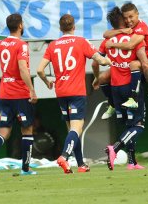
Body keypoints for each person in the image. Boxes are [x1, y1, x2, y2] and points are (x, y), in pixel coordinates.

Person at [37, 14, 111, 174]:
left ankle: (81, 165)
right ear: (74, 26)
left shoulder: (53, 45)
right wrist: (115, 63)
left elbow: (39, 70)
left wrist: (47, 81)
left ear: (60, 28)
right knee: (76, 129)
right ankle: (64, 156)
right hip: (76, 91)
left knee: (72, 130)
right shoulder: (81, 41)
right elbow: (101, 60)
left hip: (61, 91)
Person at [93, 6, 148, 170]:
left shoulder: (108, 40)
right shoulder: (135, 37)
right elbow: (144, 63)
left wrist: (96, 78)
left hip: (115, 88)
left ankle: (131, 161)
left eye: (131, 17)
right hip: (130, 85)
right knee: (139, 125)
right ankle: (114, 149)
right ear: (123, 21)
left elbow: (95, 61)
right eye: (126, 19)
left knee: (129, 125)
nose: (129, 21)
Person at [0, 13, 38, 177]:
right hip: (19, 93)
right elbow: (22, 68)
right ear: (20, 26)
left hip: (4, 93)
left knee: (4, 132)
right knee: (27, 130)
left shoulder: (1, 44)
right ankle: (25, 169)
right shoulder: (22, 45)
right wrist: (32, 90)